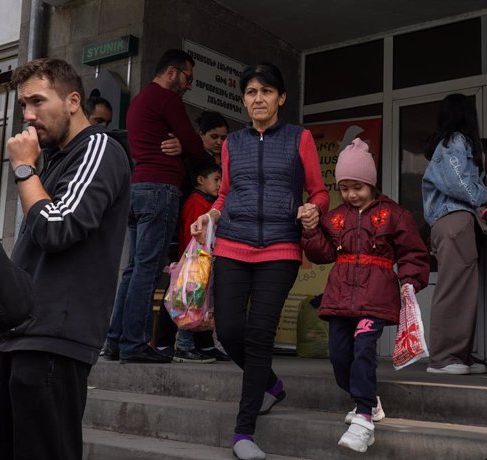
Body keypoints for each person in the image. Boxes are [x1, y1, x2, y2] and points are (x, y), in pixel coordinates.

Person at [0, 58, 131, 459]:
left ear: (72, 100)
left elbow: (57, 229)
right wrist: (6, 332)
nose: (29, 116)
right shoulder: (53, 163)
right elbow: (30, 257)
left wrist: (23, 168)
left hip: (56, 341)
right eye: (22, 107)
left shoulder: (99, 148)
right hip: (24, 337)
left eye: (37, 101)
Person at [191, 62, 329, 460]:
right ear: (244, 100)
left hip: (280, 250)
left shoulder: (299, 138)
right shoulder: (232, 143)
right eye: (251, 92)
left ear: (280, 98)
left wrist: (312, 210)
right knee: (230, 331)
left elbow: (319, 192)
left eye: (266, 91)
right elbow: (225, 194)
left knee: (258, 335)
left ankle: (243, 431)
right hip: (233, 245)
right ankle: (269, 382)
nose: (258, 99)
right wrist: (211, 215)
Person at [300, 138, 430, 453]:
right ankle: (368, 401)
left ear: (371, 183)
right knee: (338, 355)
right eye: (343, 188)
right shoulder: (335, 218)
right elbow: (323, 254)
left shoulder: (394, 214)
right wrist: (310, 231)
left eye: (357, 186)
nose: (350, 194)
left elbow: (414, 252)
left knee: (363, 351)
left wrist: (410, 281)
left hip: (376, 297)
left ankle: (364, 418)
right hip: (340, 296)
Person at [103, 49, 204, 364]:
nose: (188, 86)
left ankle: (116, 342)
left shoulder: (140, 101)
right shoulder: (167, 99)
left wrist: (180, 144)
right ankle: (135, 344)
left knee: (133, 269)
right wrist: (184, 146)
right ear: (172, 72)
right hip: (160, 190)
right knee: (147, 271)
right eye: (188, 78)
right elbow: (196, 145)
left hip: (136, 190)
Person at [421, 93, 487, 375]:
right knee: (454, 288)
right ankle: (443, 357)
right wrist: (482, 194)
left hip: (453, 220)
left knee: (463, 288)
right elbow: (457, 181)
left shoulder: (449, 142)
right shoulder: (455, 141)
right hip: (453, 219)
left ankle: (459, 354)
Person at [153, 161, 230, 363]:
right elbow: (193, 236)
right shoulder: (197, 202)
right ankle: (181, 346)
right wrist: (194, 261)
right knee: (187, 305)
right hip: (192, 264)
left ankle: (205, 345)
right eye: (216, 179)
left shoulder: (206, 202)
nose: (220, 184)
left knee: (199, 305)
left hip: (197, 262)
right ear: (200, 180)